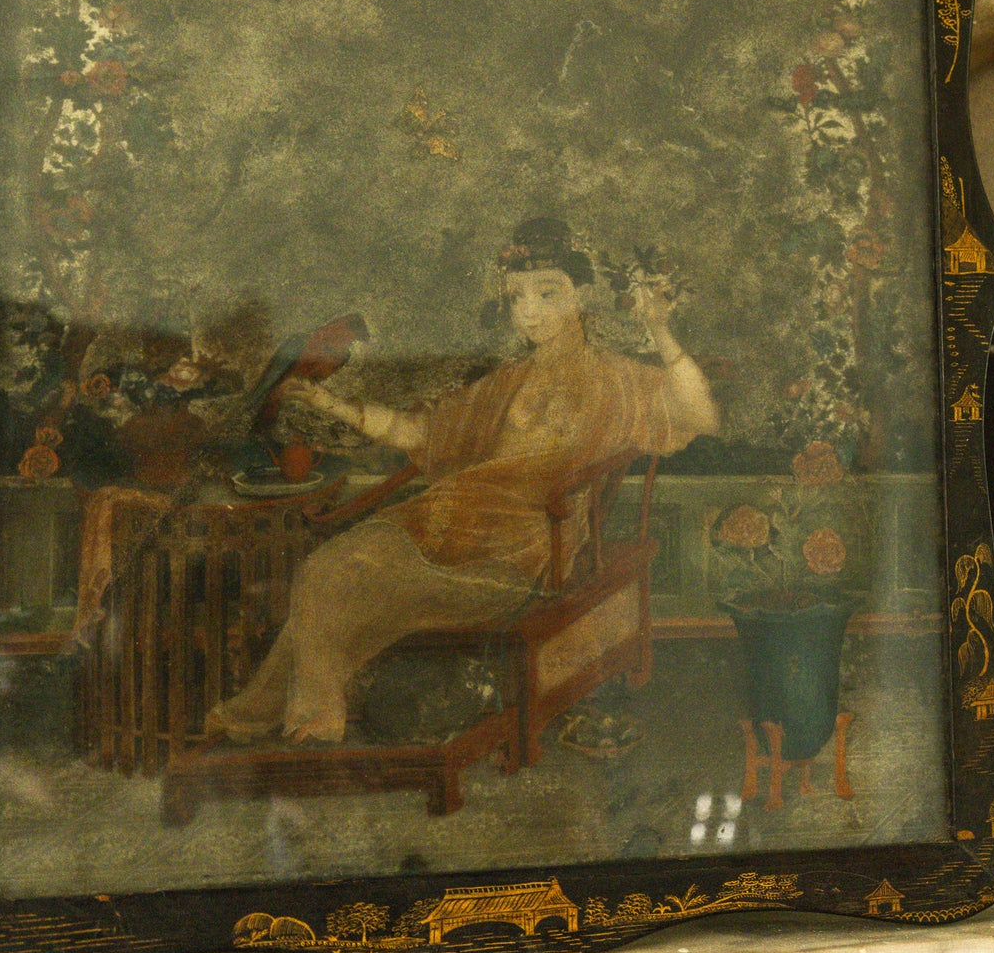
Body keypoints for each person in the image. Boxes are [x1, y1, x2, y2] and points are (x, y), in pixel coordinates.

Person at [206, 217, 719, 744]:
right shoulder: (507, 383)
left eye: (548, 293)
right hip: (441, 522)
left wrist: (658, 329)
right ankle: (287, 719)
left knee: (341, 585)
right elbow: (418, 431)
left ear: (582, 296)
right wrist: (328, 402)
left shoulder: (616, 377)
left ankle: (297, 726)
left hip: (518, 553)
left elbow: (702, 417)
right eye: (517, 298)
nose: (531, 310)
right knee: (323, 570)